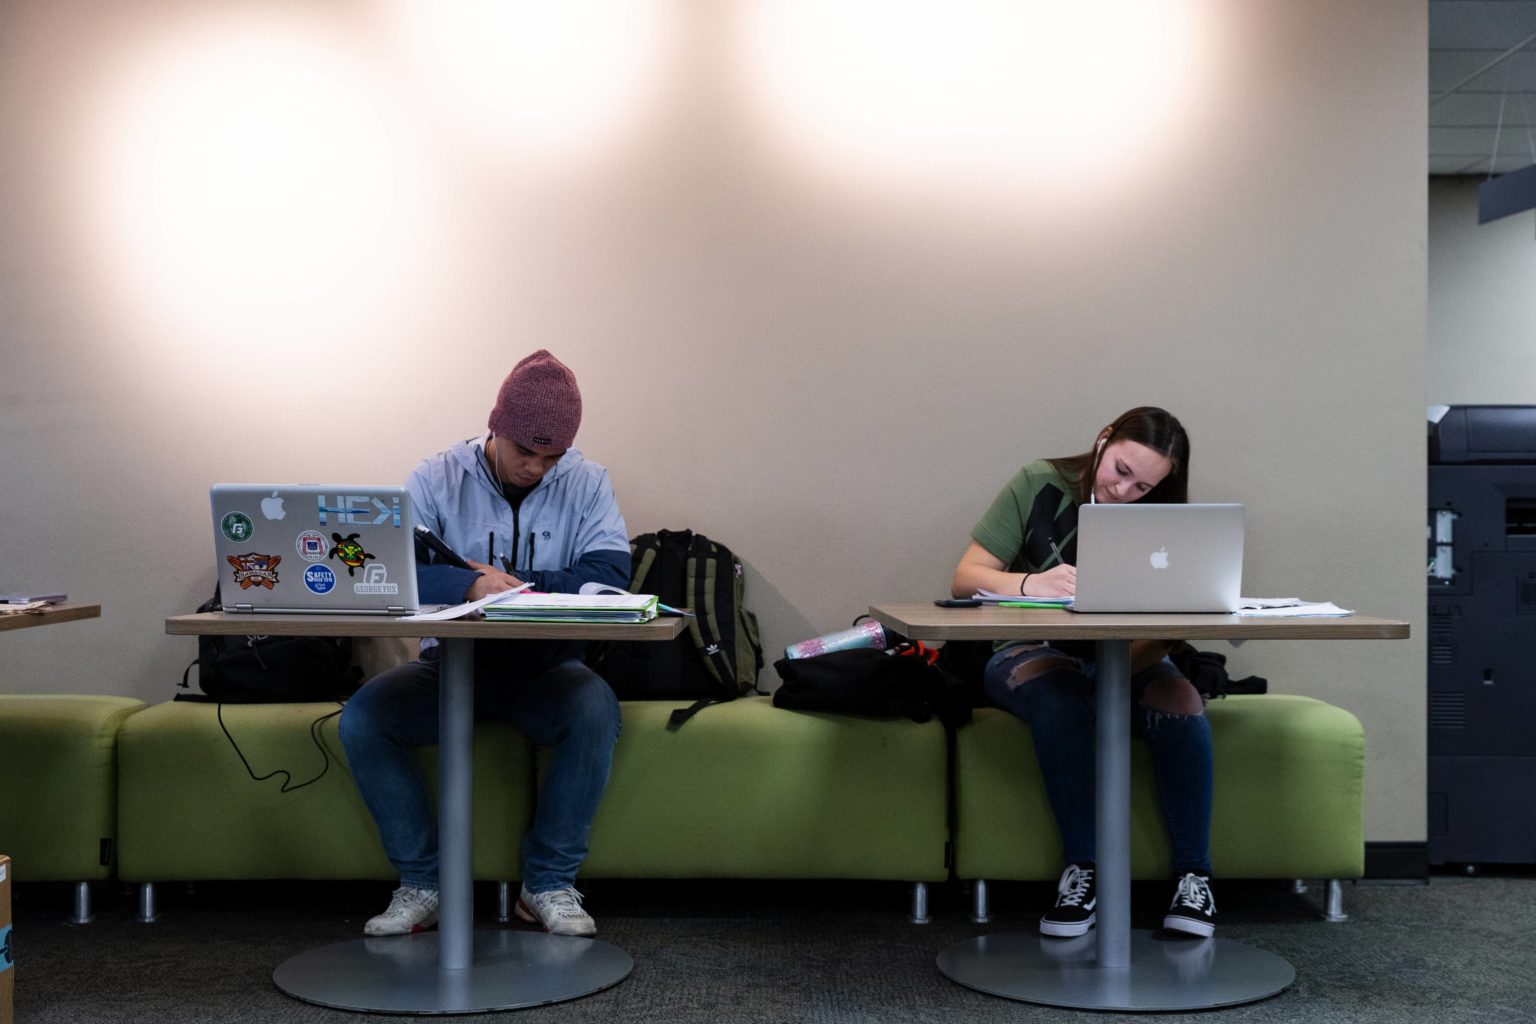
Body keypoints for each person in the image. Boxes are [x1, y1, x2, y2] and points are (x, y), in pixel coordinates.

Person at [339, 349, 630, 938]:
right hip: (449, 667)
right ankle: (424, 885)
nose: (537, 469)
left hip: (547, 671)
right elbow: (389, 568)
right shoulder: (434, 477)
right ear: (495, 426)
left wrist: (515, 586)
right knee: (363, 719)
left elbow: (609, 576)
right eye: (526, 451)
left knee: (595, 708)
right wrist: (469, 581)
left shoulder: (589, 481)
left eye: (552, 457)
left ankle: (547, 886)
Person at [950, 406, 1217, 939]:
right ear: (1103, 440)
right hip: (1029, 651)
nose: (1125, 492)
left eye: (1143, 487)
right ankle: (1084, 870)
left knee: (1181, 699)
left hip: (1123, 653)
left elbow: (1168, 611)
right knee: (1059, 695)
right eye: (1121, 471)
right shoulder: (1038, 482)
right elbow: (965, 577)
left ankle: (1194, 877)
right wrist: (1032, 584)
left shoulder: (1160, 515)